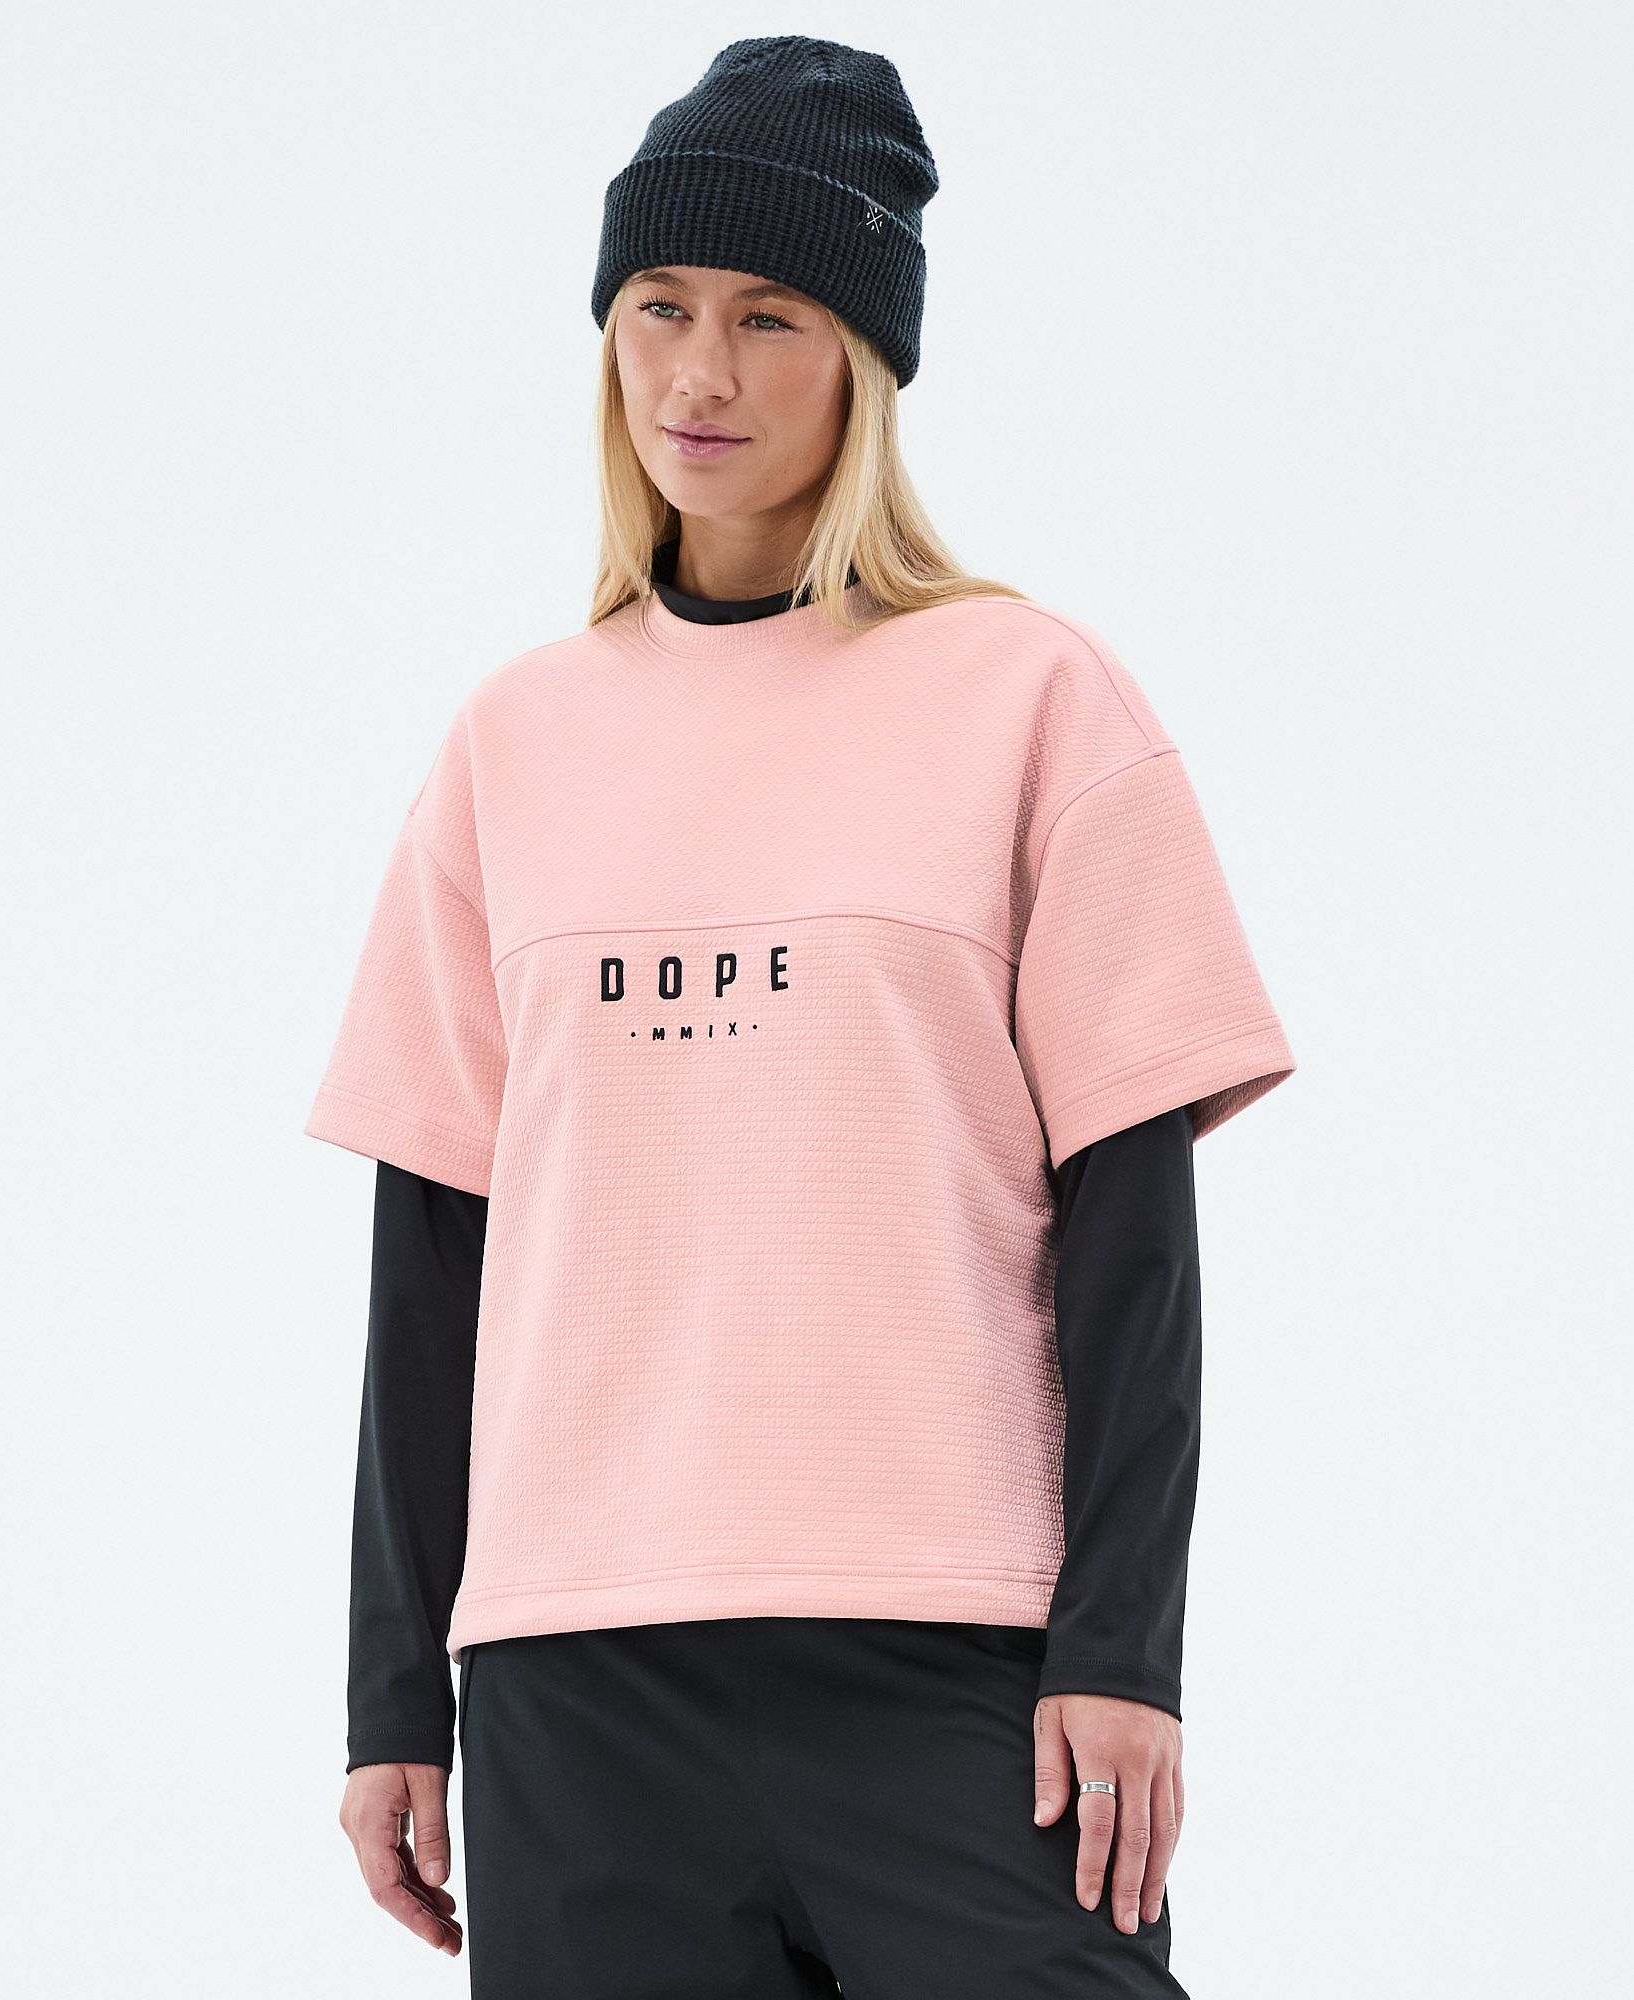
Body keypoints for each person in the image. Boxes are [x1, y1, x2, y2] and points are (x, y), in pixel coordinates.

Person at [304, 36, 1296, 1998]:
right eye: (659, 307)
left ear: (865, 358)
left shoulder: (1033, 699)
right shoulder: (510, 744)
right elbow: (433, 1253)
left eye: (769, 317)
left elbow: (1131, 1235)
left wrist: (1124, 1648)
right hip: (577, 1683)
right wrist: (391, 1694)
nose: (700, 371)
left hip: (951, 1665)